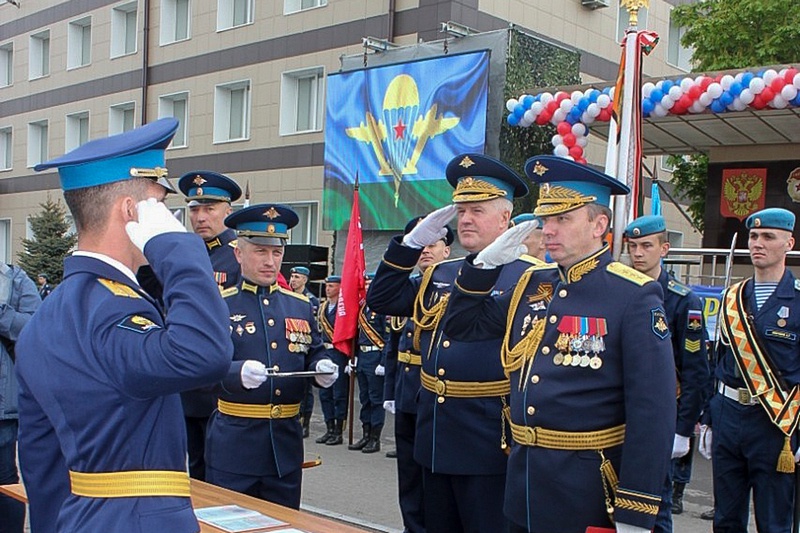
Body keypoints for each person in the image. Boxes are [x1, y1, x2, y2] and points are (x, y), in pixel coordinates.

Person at [15, 118, 233, 532]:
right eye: (160, 205)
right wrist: (177, 249)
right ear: (133, 211)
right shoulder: (113, 309)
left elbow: (41, 459)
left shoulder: (48, 316)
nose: (171, 218)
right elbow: (205, 353)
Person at [440, 155, 676, 533]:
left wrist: (637, 508)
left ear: (600, 224)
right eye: (546, 219)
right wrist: (481, 269)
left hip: (585, 489)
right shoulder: (532, 284)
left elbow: (653, 412)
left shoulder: (632, 295)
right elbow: (463, 326)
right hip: (524, 483)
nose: (549, 230)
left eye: (563, 219)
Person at [367, 153, 537, 532]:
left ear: (505, 218)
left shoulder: (530, 277)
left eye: (477, 210)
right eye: (461, 211)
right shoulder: (443, 272)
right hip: (435, 434)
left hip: (488, 440)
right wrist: (409, 245)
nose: (466, 220)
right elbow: (381, 300)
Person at [204, 204, 338, 509]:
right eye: (260, 252)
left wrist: (322, 366)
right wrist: (234, 373)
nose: (269, 261)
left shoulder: (299, 305)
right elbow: (200, 370)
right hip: (235, 445)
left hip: (284, 446)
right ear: (239, 253)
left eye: (276, 253)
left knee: (285, 525)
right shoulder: (218, 305)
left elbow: (312, 350)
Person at [701, 207, 800, 533]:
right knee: (725, 519)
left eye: (768, 237)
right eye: (753, 236)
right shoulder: (732, 298)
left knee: (774, 522)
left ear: (789, 243)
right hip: (729, 416)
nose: (757, 243)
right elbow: (717, 363)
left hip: (775, 424)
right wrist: (708, 418)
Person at [624, 215, 710, 531]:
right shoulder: (619, 288)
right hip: (619, 414)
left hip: (660, 416)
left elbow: (695, 370)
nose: (638, 253)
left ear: (665, 248)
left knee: (654, 508)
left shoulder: (681, 299)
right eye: (632, 246)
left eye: (646, 245)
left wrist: (683, 429)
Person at [382, 217, 453, 533]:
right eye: (420, 245)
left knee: (433, 480)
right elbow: (396, 347)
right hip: (407, 393)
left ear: (446, 251)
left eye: (432, 245)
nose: (425, 251)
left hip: (436, 396)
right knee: (408, 477)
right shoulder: (410, 289)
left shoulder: (456, 287)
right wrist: (390, 393)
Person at [176, 169, 242, 480]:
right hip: (184, 385)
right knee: (189, 476)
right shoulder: (183, 256)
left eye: (209, 208)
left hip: (222, 387)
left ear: (228, 211)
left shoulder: (240, 257)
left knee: (222, 478)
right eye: (194, 209)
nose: (200, 217)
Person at [0, 262, 40, 533]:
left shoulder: (13, 279)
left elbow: (36, 326)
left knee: (5, 485)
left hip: (3, 409)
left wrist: (2, 314)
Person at [347, 274, 388, 454]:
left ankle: (375, 438)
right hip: (363, 358)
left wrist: (384, 361)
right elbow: (356, 335)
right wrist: (353, 357)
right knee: (365, 399)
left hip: (375, 357)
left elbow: (388, 337)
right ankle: (365, 434)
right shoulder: (362, 309)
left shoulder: (382, 307)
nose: (368, 288)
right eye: (367, 285)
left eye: (372, 284)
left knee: (375, 399)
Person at [315, 275, 349, 445]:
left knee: (339, 393)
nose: (328, 289)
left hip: (339, 353)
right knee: (325, 393)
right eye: (327, 286)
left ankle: (338, 430)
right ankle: (329, 428)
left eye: (332, 286)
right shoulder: (323, 307)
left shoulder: (344, 309)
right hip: (325, 352)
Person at [290, 266, 320, 438]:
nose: (293, 280)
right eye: (292, 276)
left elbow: (312, 328)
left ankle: (305, 423)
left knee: (306, 389)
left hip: (305, 345)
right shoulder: (288, 297)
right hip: (292, 346)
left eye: (297, 277)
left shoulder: (311, 300)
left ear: (305, 280)